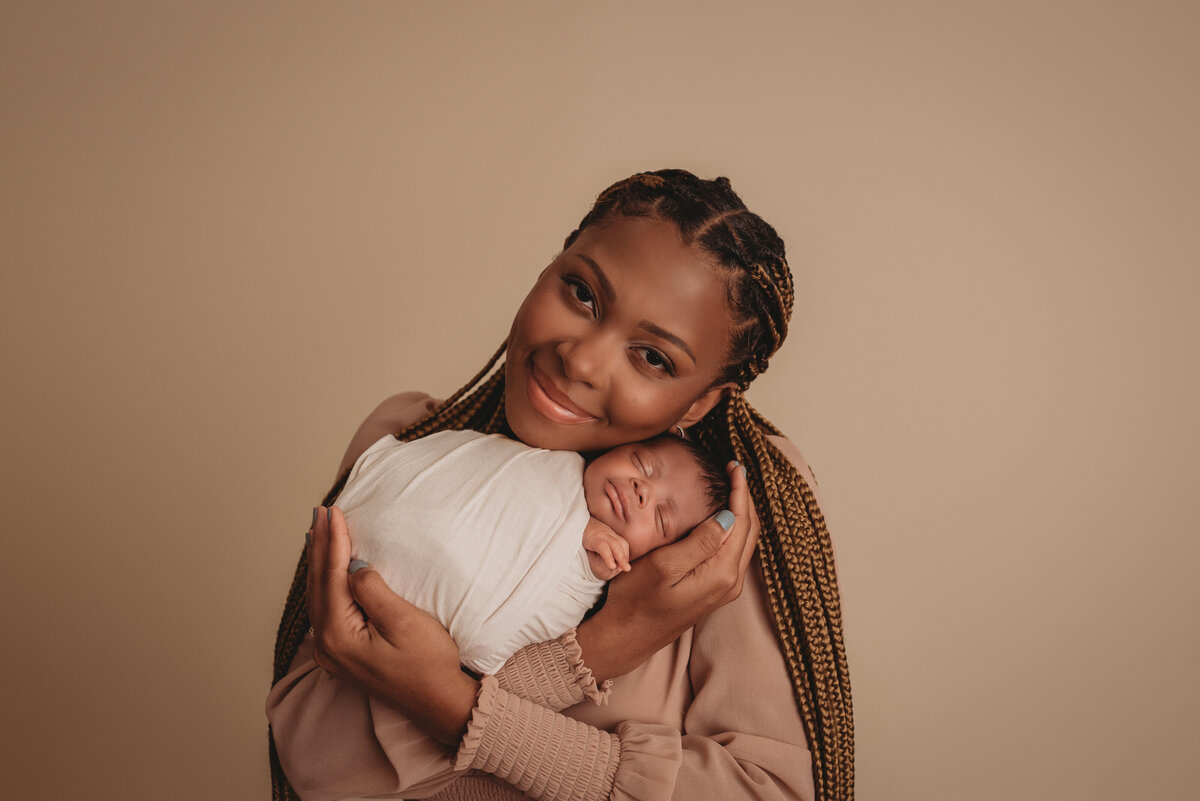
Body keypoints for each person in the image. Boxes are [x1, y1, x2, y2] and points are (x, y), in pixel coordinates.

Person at [267, 169, 854, 801]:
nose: (581, 359)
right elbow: (313, 763)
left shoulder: (720, 529)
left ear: (701, 403)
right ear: (554, 262)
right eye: (581, 293)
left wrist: (460, 708)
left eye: (653, 358)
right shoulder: (405, 439)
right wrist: (599, 648)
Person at [338, 428, 731, 674]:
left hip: (414, 634)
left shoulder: (600, 571)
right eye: (642, 464)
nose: (643, 490)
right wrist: (581, 523)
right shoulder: (555, 463)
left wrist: (589, 558)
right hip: (361, 515)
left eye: (662, 518)